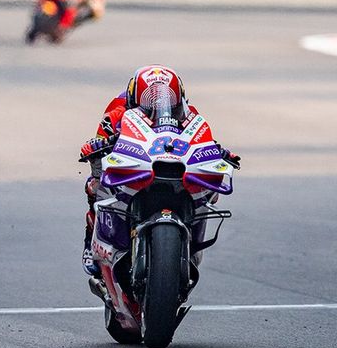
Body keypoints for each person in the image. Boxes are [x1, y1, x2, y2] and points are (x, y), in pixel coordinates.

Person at [77, 66, 240, 277]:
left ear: (179, 98)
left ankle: (192, 237)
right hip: (133, 162)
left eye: (167, 97)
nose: (159, 102)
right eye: (149, 97)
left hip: (169, 162)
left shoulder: (190, 114)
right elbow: (98, 142)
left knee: (211, 191)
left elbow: (203, 138)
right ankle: (90, 243)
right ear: (134, 97)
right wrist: (98, 146)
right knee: (95, 183)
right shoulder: (117, 110)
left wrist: (219, 152)